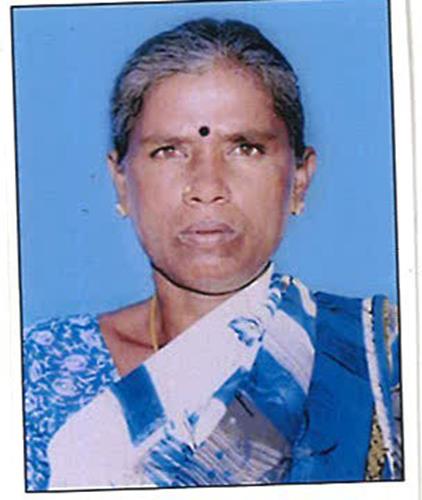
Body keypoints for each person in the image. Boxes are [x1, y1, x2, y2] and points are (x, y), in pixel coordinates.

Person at [23, 18, 401, 491]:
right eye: (169, 151)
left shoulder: (378, 358)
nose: (207, 187)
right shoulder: (39, 369)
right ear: (121, 182)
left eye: (246, 148)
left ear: (300, 180)